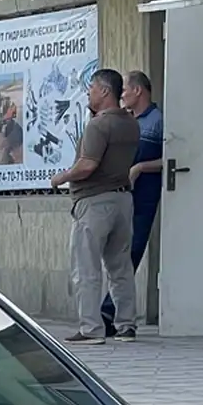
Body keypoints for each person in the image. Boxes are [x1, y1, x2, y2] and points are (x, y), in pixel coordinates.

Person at [49, 68, 139, 342]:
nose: (88, 93)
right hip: (123, 199)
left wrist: (61, 177)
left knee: (86, 267)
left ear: (104, 91)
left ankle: (91, 328)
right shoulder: (130, 123)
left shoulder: (98, 125)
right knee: (120, 267)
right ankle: (126, 325)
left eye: (91, 88)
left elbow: (87, 165)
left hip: (94, 201)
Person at [101, 70, 165, 334]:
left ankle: (111, 312)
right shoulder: (125, 122)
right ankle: (110, 312)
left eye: (125, 89)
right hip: (119, 195)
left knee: (132, 251)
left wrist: (140, 167)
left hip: (145, 197)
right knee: (115, 252)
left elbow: (172, 159)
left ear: (138, 90)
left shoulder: (158, 121)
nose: (122, 95)